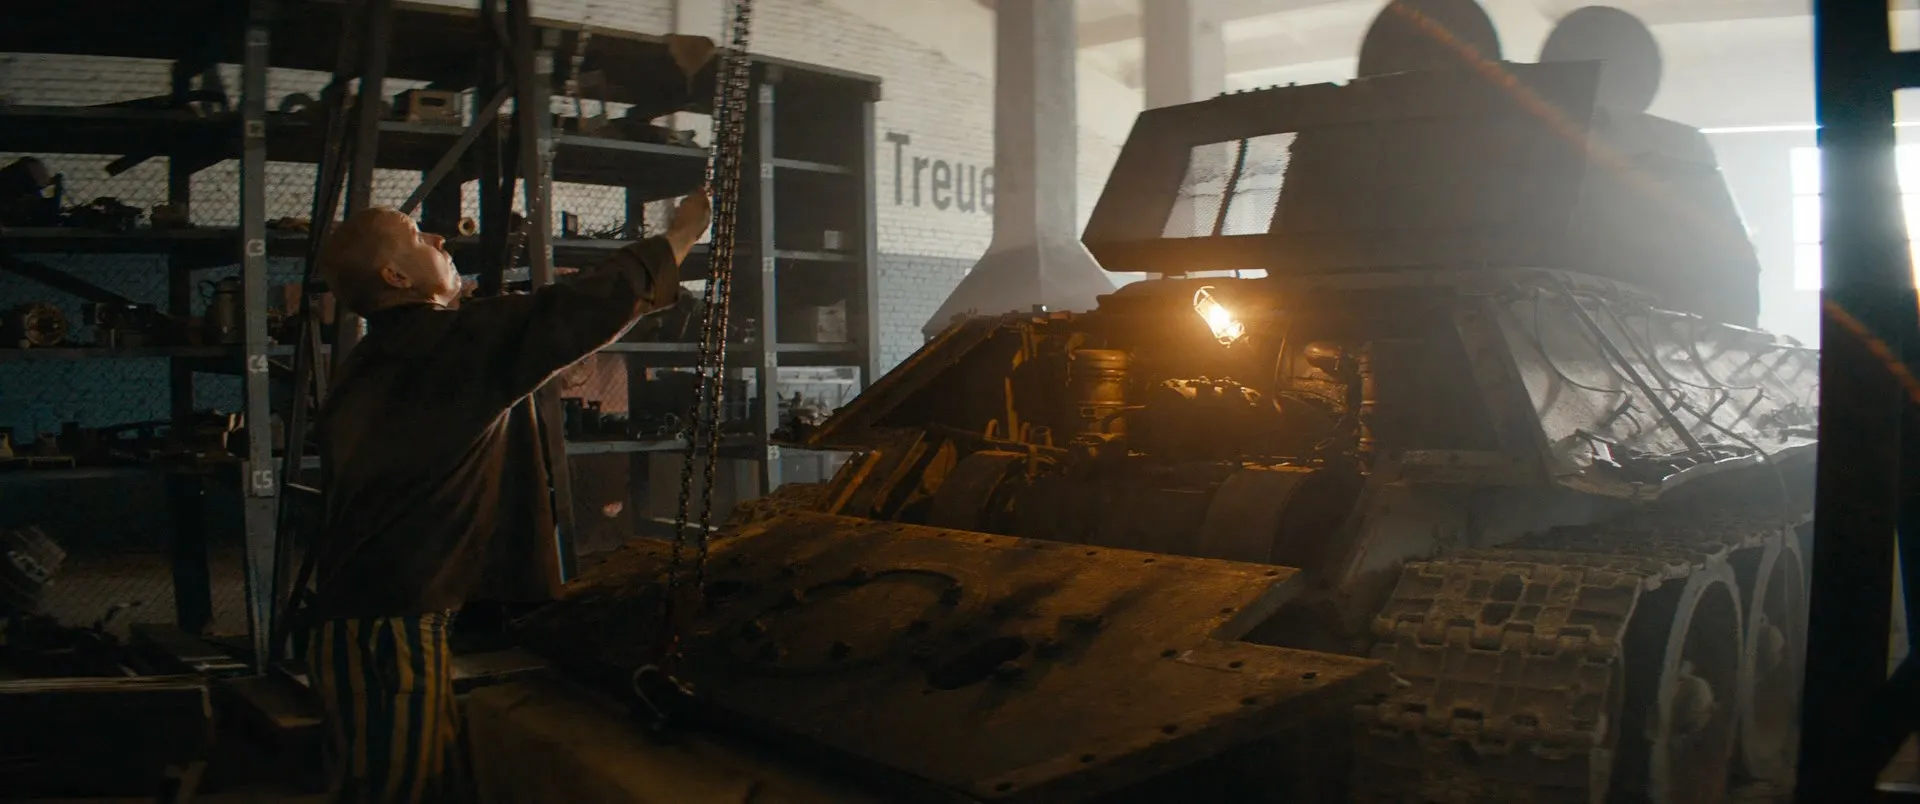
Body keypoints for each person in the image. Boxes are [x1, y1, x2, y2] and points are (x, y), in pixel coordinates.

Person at [303, 189, 712, 803]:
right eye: (416, 236)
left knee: (413, 775)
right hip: (387, 627)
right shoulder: (443, 345)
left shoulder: (383, 355)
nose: (439, 238)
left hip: (372, 617)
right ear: (395, 277)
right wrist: (681, 236)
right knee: (397, 790)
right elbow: (574, 308)